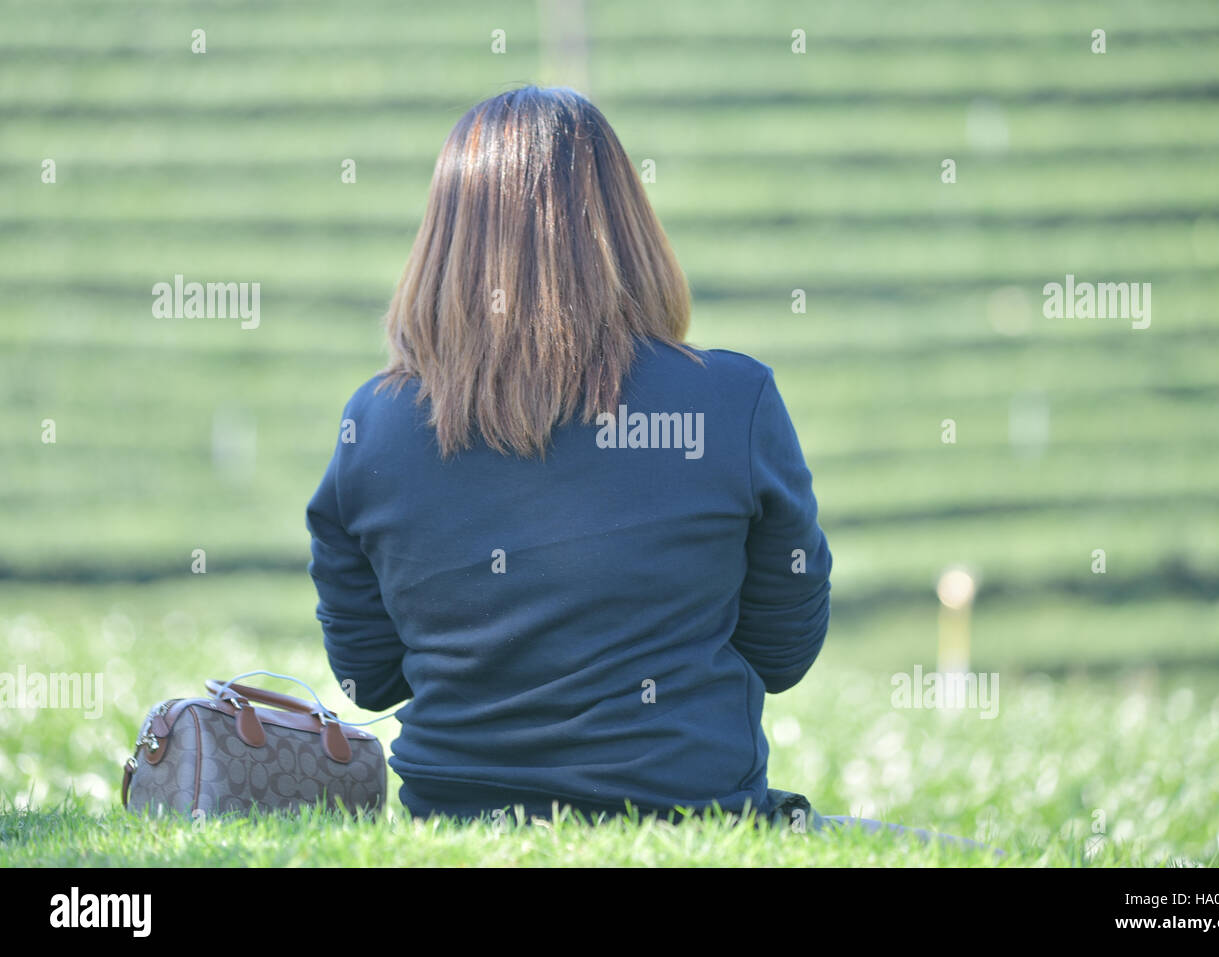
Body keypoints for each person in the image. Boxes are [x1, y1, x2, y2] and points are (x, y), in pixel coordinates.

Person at [305, 85, 834, 829]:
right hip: (692, 817)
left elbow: (368, 676)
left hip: (455, 824)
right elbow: (784, 652)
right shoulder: (733, 401)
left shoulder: (375, 425)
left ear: (444, 236)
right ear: (624, 226)